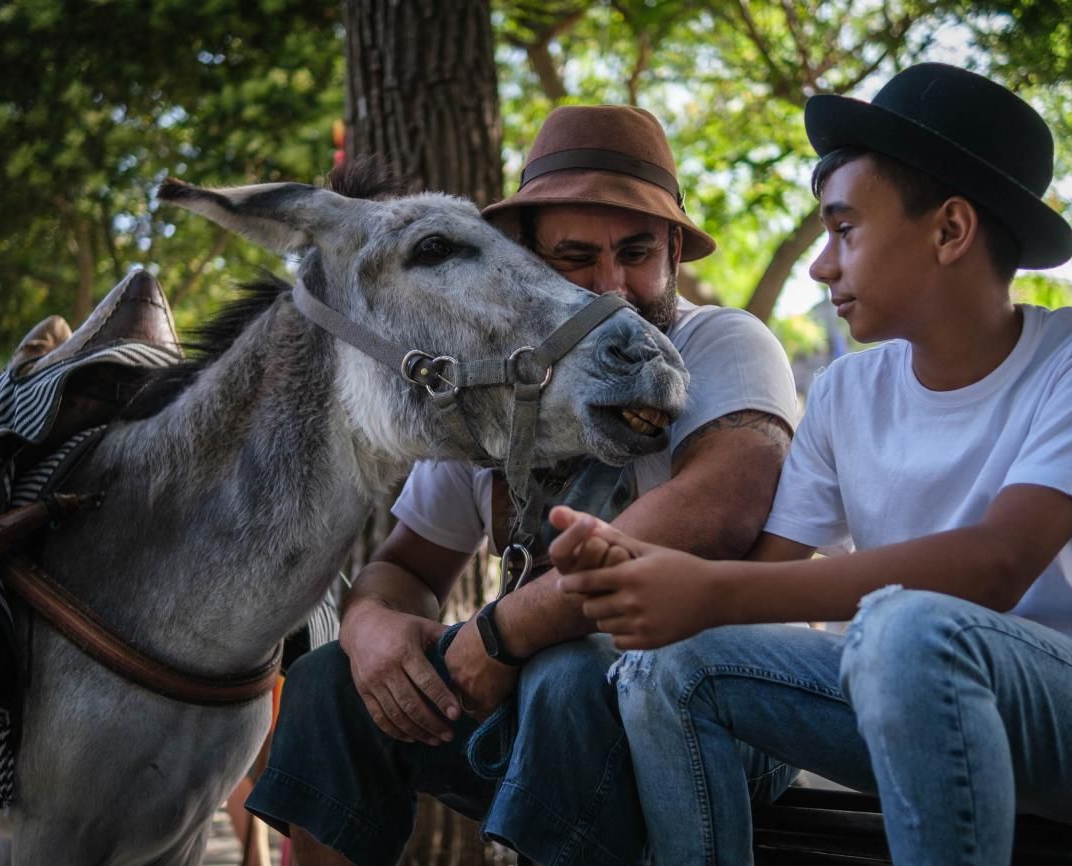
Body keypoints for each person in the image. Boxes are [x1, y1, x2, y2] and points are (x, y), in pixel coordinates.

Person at [546, 63, 1072, 865]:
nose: (821, 265)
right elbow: (765, 580)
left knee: (904, 623)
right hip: (913, 687)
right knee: (665, 667)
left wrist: (711, 589)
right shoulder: (849, 391)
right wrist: (636, 568)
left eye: (844, 230)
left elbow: (995, 565)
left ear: (951, 231)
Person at [245, 104, 799, 866]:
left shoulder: (723, 342)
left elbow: (719, 510)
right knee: (326, 680)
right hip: (544, 709)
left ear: (675, 248)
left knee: (568, 673)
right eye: (575, 259)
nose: (614, 287)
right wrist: (371, 626)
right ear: (529, 262)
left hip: (725, 714)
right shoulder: (498, 392)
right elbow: (405, 568)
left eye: (636, 252)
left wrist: (503, 633)